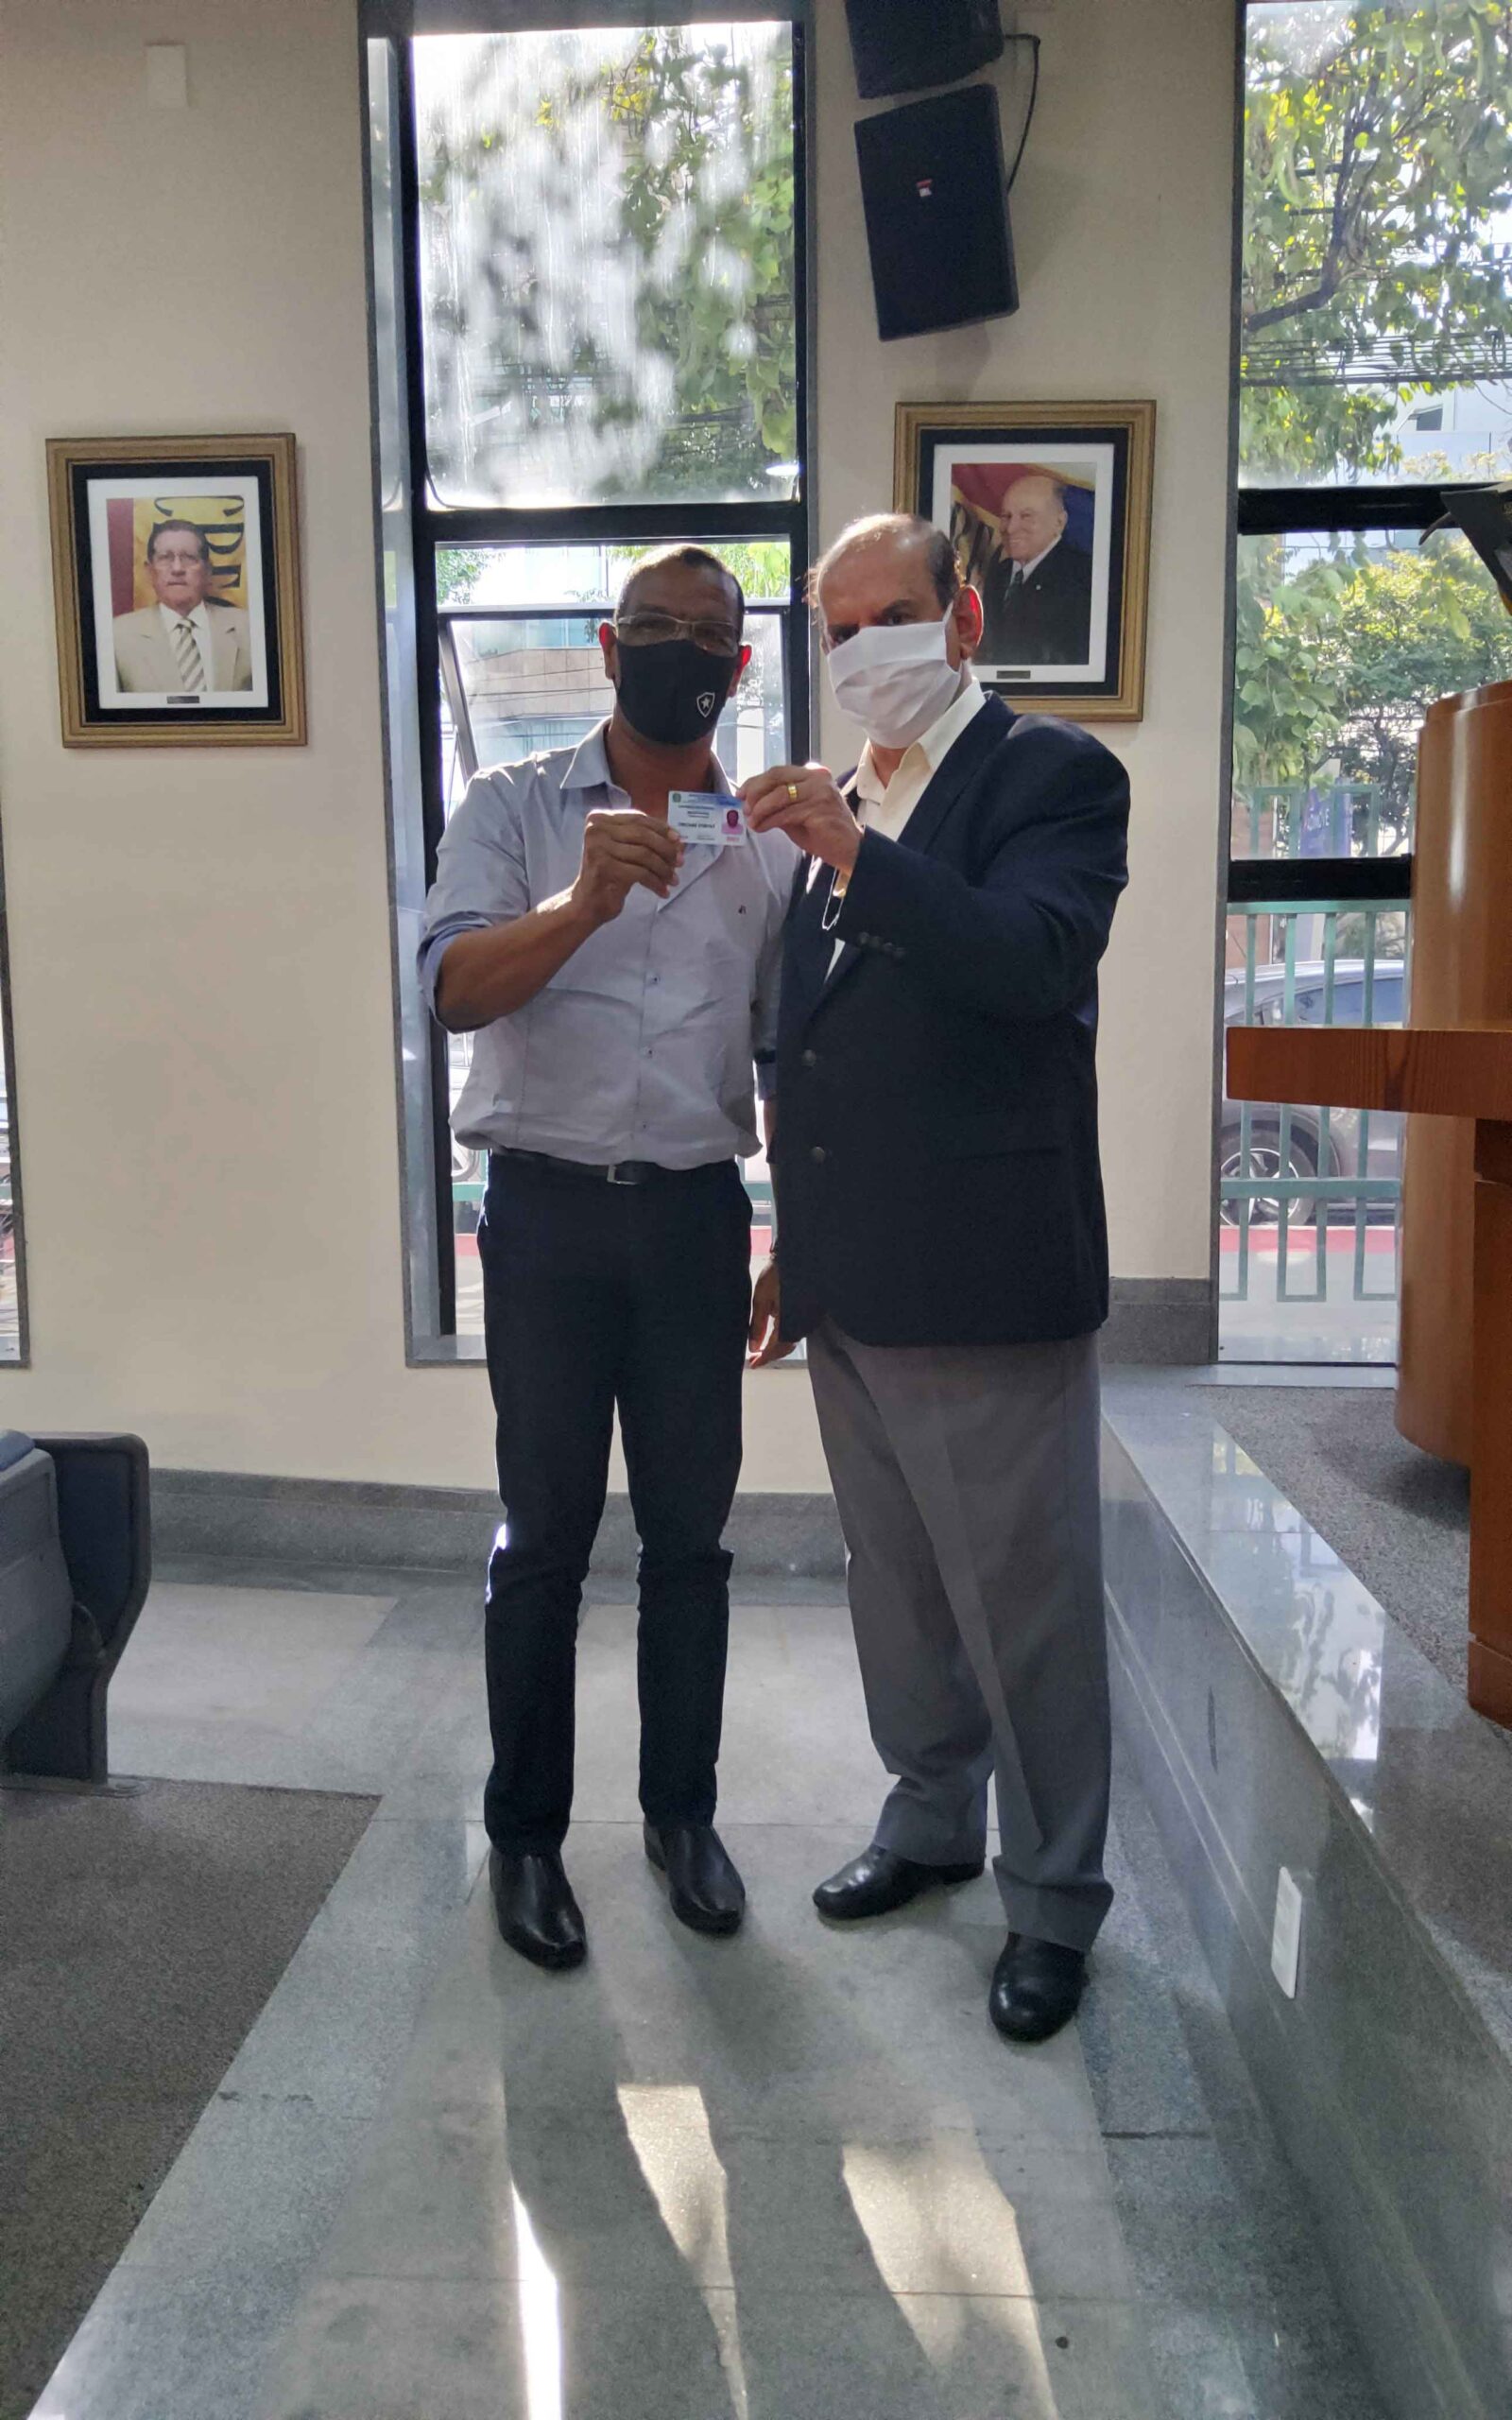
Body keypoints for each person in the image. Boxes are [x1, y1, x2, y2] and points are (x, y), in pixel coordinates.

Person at [743, 512, 1129, 2045]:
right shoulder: (850, 793)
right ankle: (929, 1821)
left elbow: (1033, 960)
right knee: (897, 1587)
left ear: (962, 617)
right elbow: (813, 1047)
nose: (860, 651)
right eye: (836, 629)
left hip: (986, 1279)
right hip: (851, 1284)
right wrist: (793, 1245)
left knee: (1025, 1604)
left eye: (888, 616)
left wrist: (858, 858)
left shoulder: (1049, 775)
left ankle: (1056, 1900)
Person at [419, 547, 797, 1972]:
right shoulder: (513, 807)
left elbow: (786, 1050)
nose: (679, 649)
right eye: (653, 626)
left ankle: (680, 1817)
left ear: (739, 667)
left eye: (708, 633)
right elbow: (452, 989)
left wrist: (799, 1234)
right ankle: (525, 1837)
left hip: (697, 1222)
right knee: (545, 1541)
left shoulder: (761, 839)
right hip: (547, 1221)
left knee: (691, 1540)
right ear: (606, 644)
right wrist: (579, 903)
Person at [112, 519, 253, 693]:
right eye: (165, 558)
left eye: (189, 558)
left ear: (208, 570)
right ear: (149, 571)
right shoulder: (117, 636)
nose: (177, 568)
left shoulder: (249, 628)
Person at [978, 472, 1093, 667]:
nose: (1010, 528)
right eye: (1006, 516)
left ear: (1059, 522)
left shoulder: (1082, 576)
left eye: (1026, 516)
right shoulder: (999, 573)